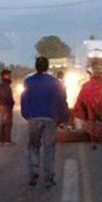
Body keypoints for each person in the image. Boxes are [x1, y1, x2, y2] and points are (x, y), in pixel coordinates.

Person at [21, 56, 66, 188]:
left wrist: (27, 115)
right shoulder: (54, 82)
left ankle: (34, 172)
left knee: (33, 146)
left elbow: (24, 99)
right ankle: (49, 177)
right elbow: (60, 100)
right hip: (50, 118)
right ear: (47, 66)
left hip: (34, 118)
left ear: (36, 66)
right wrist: (61, 117)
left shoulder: (28, 81)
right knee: (49, 148)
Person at [73, 69, 102, 149]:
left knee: (91, 123)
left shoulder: (87, 85)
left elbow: (81, 97)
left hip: (90, 108)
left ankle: (93, 142)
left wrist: (80, 107)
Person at [0, 69, 15, 146]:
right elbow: (5, 96)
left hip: (5, 105)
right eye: (8, 75)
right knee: (7, 123)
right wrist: (11, 102)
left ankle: (3, 140)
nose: (10, 76)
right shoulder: (3, 85)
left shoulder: (5, 84)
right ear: (4, 75)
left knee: (5, 123)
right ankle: (6, 140)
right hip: (5, 105)